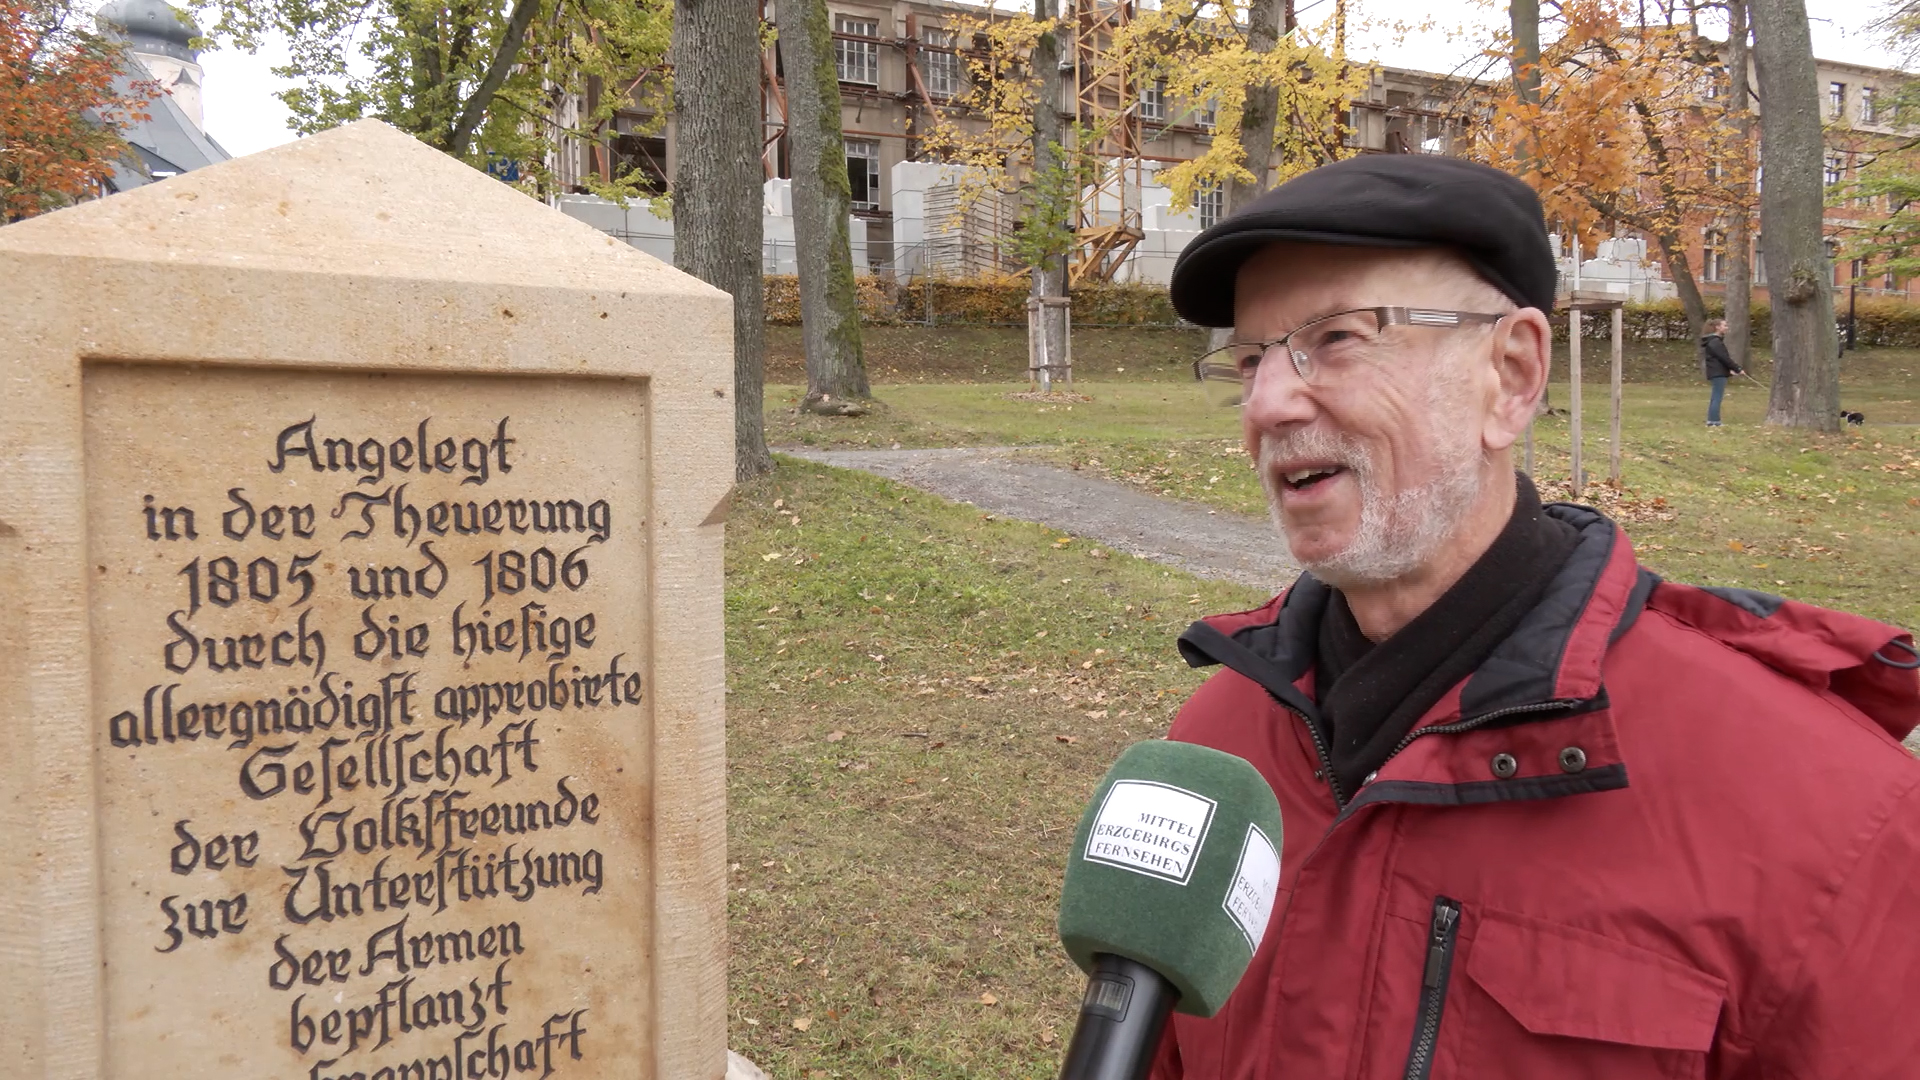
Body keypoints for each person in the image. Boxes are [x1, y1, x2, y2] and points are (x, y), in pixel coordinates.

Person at [1155, 154, 1920, 1079]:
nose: (1267, 404)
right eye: (1250, 359)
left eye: (1340, 337)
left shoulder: (1832, 817)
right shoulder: (1215, 751)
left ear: (1512, 374)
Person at [1700, 317, 1743, 427]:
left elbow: (1719, 360)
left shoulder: (1714, 341)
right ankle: (1714, 421)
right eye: (1724, 325)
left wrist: (1729, 371)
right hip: (1717, 373)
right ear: (1717, 327)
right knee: (1717, 397)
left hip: (1717, 372)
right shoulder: (1715, 342)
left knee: (1716, 396)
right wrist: (1737, 368)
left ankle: (1712, 420)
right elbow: (1724, 358)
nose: (1726, 328)